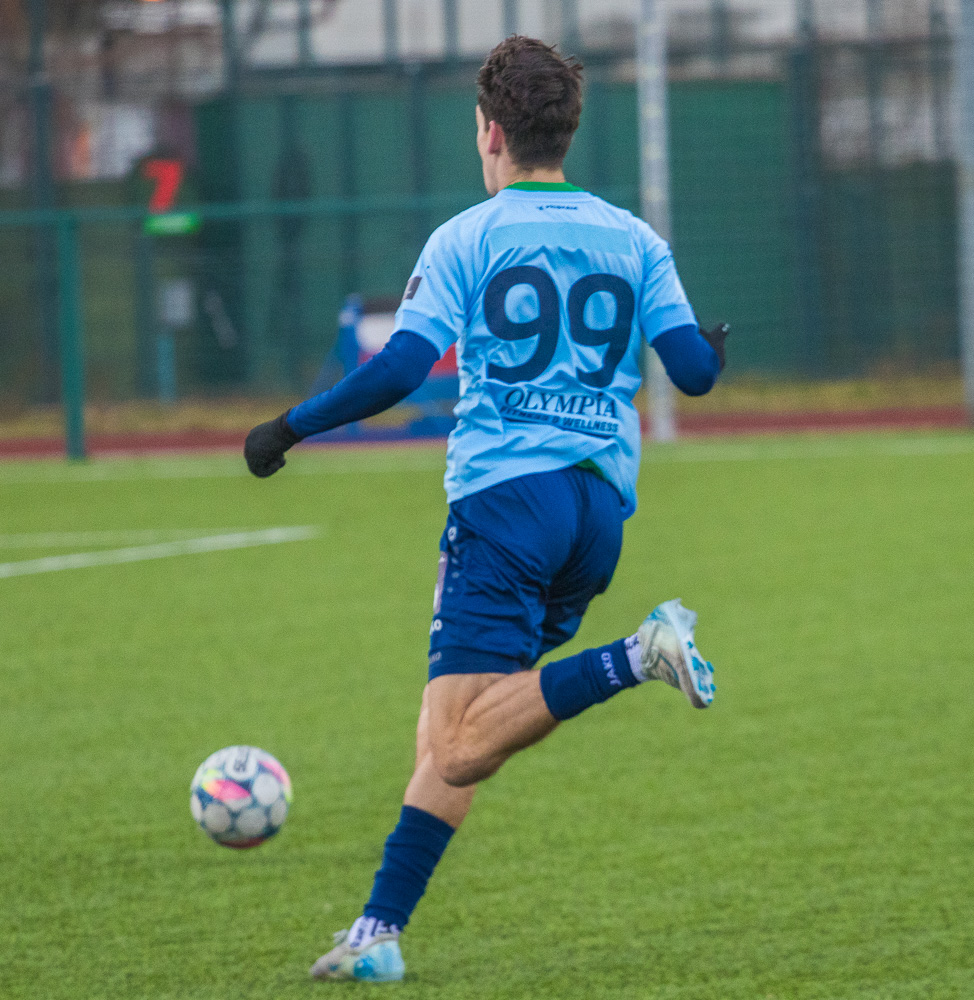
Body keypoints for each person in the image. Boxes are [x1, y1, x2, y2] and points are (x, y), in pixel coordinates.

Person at [245, 35, 728, 984]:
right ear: (567, 132)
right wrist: (713, 342)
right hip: (596, 514)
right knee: (467, 725)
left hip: (505, 508)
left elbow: (398, 369)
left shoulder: (468, 236)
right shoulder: (635, 238)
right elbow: (696, 372)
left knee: (459, 741)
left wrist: (288, 428)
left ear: (491, 132)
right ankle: (378, 932)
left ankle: (641, 654)